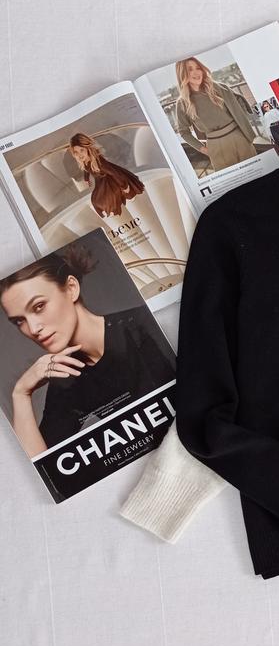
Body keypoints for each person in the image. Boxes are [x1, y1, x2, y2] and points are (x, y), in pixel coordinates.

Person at [0, 244, 175, 457]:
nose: (33, 328)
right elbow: (45, 465)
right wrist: (21, 393)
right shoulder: (66, 376)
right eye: (19, 321)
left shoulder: (143, 326)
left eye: (39, 306)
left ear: (71, 288)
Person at [174, 57, 258, 172]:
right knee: (234, 180)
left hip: (239, 137)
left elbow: (239, 101)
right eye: (190, 69)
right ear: (182, 74)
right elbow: (184, 132)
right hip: (215, 145)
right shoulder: (182, 103)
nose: (196, 72)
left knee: (257, 172)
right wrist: (203, 149)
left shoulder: (218, 88)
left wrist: (244, 130)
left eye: (198, 68)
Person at [68, 132, 145, 218]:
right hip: (101, 181)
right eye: (76, 152)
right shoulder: (85, 161)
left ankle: (116, 207)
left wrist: (124, 186)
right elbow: (86, 169)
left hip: (111, 179)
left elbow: (114, 173)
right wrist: (86, 178)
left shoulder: (99, 163)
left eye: (81, 150)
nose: (79, 154)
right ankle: (111, 209)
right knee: (95, 199)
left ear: (87, 148)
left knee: (104, 198)